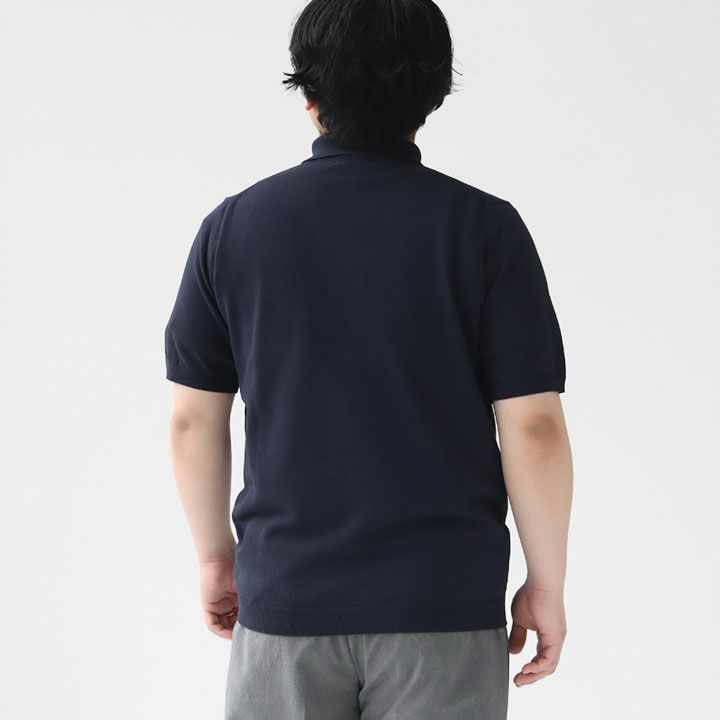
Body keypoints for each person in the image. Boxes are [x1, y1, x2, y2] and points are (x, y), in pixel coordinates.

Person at [164, 1, 573, 718]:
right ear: (433, 93)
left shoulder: (235, 228)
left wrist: (215, 557)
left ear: (308, 91)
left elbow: (193, 422)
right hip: (443, 605)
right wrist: (546, 583)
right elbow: (534, 427)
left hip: (287, 598)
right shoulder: (485, 230)